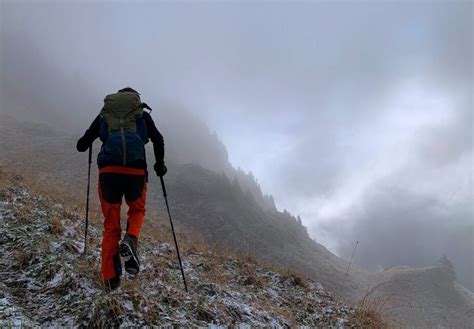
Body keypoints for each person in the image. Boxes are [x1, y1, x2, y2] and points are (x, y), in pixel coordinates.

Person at [76, 87, 167, 291]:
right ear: (135, 100)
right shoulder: (141, 115)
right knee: (137, 210)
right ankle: (131, 239)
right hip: (135, 172)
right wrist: (159, 165)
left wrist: (88, 142)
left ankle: (109, 280)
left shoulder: (104, 114)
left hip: (108, 172)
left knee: (111, 225)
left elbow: (82, 144)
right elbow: (158, 139)